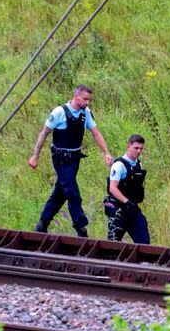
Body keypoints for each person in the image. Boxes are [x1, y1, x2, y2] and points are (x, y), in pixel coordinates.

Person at [28, 85, 113, 237]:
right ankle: (81, 229)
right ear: (76, 96)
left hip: (74, 159)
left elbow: (96, 133)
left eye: (89, 100)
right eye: (85, 99)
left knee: (60, 193)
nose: (87, 102)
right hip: (60, 158)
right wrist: (35, 156)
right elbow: (44, 133)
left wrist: (106, 152)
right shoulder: (59, 112)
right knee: (73, 193)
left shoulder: (85, 113)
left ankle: (42, 225)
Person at [103, 134, 150, 244]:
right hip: (118, 209)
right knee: (113, 244)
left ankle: (143, 261)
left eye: (141, 149)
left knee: (144, 241)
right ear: (128, 147)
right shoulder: (119, 165)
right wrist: (127, 201)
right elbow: (112, 188)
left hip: (132, 208)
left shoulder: (138, 164)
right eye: (136, 148)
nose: (139, 151)